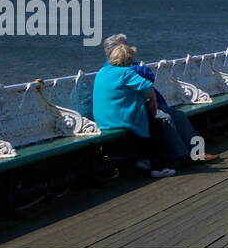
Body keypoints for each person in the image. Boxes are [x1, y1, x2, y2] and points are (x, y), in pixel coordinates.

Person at [102, 33, 218, 165]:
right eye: (125, 45)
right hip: (137, 108)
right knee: (166, 118)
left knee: (179, 115)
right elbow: (146, 75)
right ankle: (182, 156)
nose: (128, 48)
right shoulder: (115, 68)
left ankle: (197, 153)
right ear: (114, 51)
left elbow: (147, 75)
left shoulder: (127, 66)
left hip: (149, 103)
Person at [92, 42, 174, 178]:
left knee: (147, 124)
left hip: (103, 119)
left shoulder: (102, 72)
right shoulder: (125, 72)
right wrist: (153, 102)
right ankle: (158, 167)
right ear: (128, 59)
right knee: (155, 127)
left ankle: (144, 159)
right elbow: (147, 86)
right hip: (120, 119)